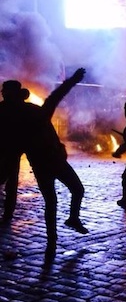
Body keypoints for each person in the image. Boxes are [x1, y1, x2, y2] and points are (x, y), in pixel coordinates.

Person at [20, 68, 89, 252]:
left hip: (45, 163)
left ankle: (55, 235)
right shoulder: (35, 115)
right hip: (52, 161)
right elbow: (56, 97)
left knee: (53, 200)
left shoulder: (17, 121)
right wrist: (73, 79)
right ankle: (62, 228)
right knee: (75, 190)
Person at [0, 81, 32, 224]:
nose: (2, 92)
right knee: (11, 185)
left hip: (7, 151)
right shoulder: (23, 108)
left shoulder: (4, 108)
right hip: (13, 151)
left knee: (9, 183)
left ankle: (8, 213)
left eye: (5, 90)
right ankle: (8, 213)